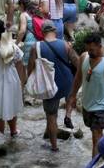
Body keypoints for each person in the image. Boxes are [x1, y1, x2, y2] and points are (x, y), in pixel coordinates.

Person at [67, 32, 104, 154]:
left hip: (100, 106)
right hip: (87, 104)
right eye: (87, 49)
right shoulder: (84, 57)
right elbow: (78, 78)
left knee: (96, 137)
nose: (89, 52)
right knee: (96, 136)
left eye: (91, 50)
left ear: (99, 46)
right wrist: (72, 96)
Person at [29, 22, 79, 152]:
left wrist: (25, 82)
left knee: (51, 115)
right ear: (55, 31)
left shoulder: (36, 47)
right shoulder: (65, 44)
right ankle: (68, 115)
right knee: (70, 96)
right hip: (67, 82)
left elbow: (30, 68)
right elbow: (77, 62)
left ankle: (54, 147)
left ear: (42, 32)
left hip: (49, 85)